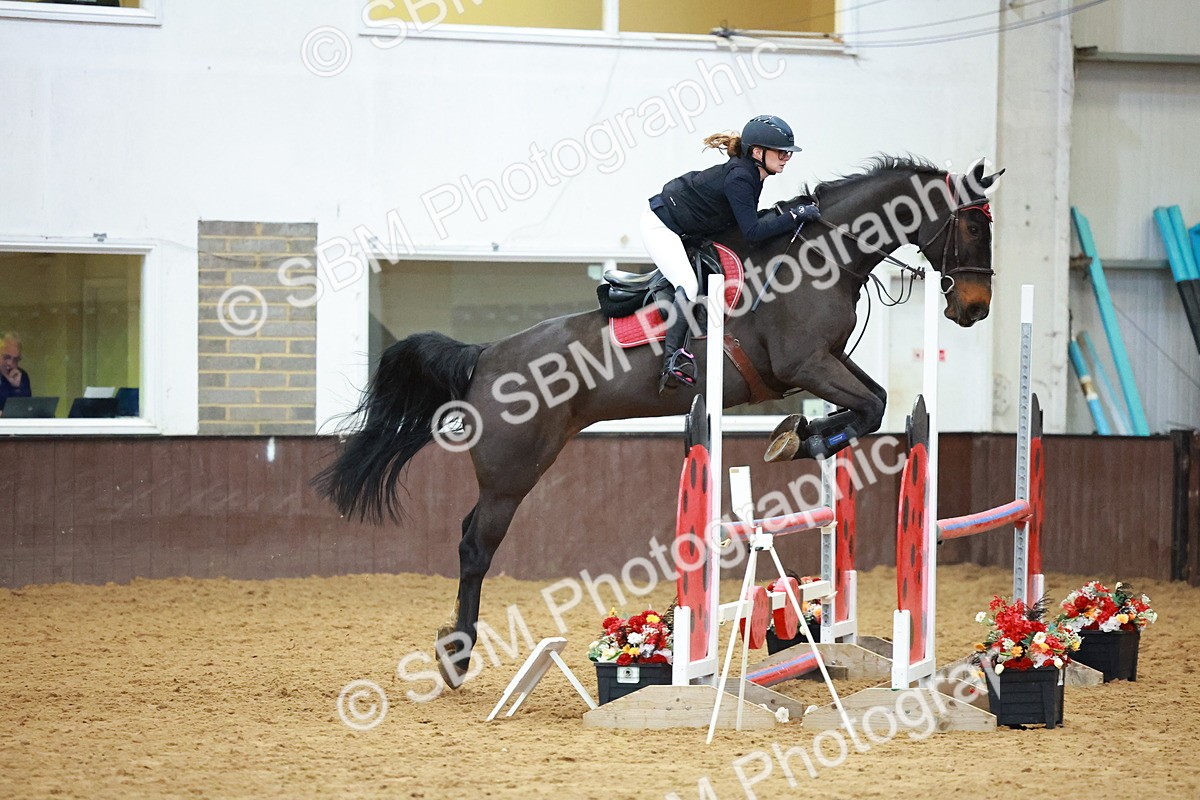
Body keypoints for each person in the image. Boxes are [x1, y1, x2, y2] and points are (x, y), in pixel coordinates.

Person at [643, 115, 821, 390]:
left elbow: (746, 223)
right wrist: (794, 216)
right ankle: (672, 361)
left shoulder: (753, 175)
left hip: (688, 229)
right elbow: (752, 233)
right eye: (781, 152)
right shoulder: (741, 177)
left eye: (788, 153)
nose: (786, 157)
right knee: (688, 285)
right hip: (660, 226)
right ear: (757, 152)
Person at [0, 332, 32, 414]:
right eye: (6, 357)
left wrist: (17, 388)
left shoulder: (22, 376)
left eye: (15, 359)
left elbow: (26, 410)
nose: (10, 363)